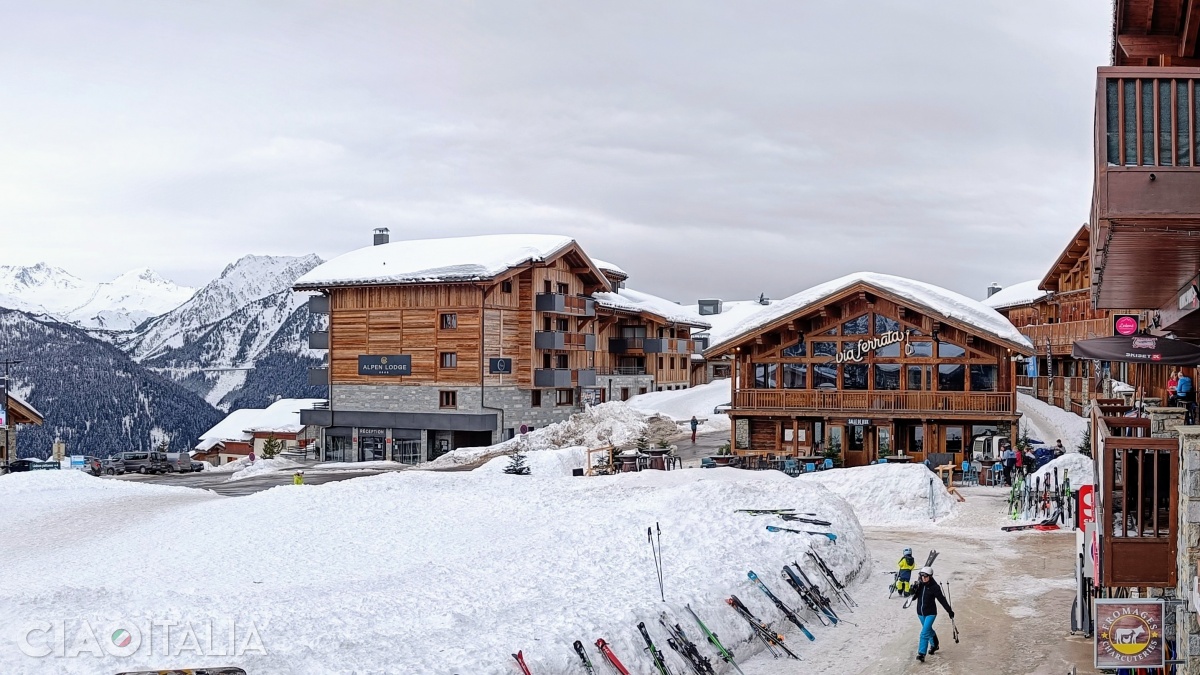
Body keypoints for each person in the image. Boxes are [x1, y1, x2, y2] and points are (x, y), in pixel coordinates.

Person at [910, 566, 953, 662]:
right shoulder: (920, 584)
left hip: (931, 613)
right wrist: (913, 590)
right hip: (920, 613)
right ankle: (935, 645)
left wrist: (949, 611)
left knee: (924, 633)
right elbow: (913, 597)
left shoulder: (935, 587)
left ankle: (921, 654)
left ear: (930, 576)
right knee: (928, 630)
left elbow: (942, 599)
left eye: (926, 576)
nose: (923, 578)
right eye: (922, 576)